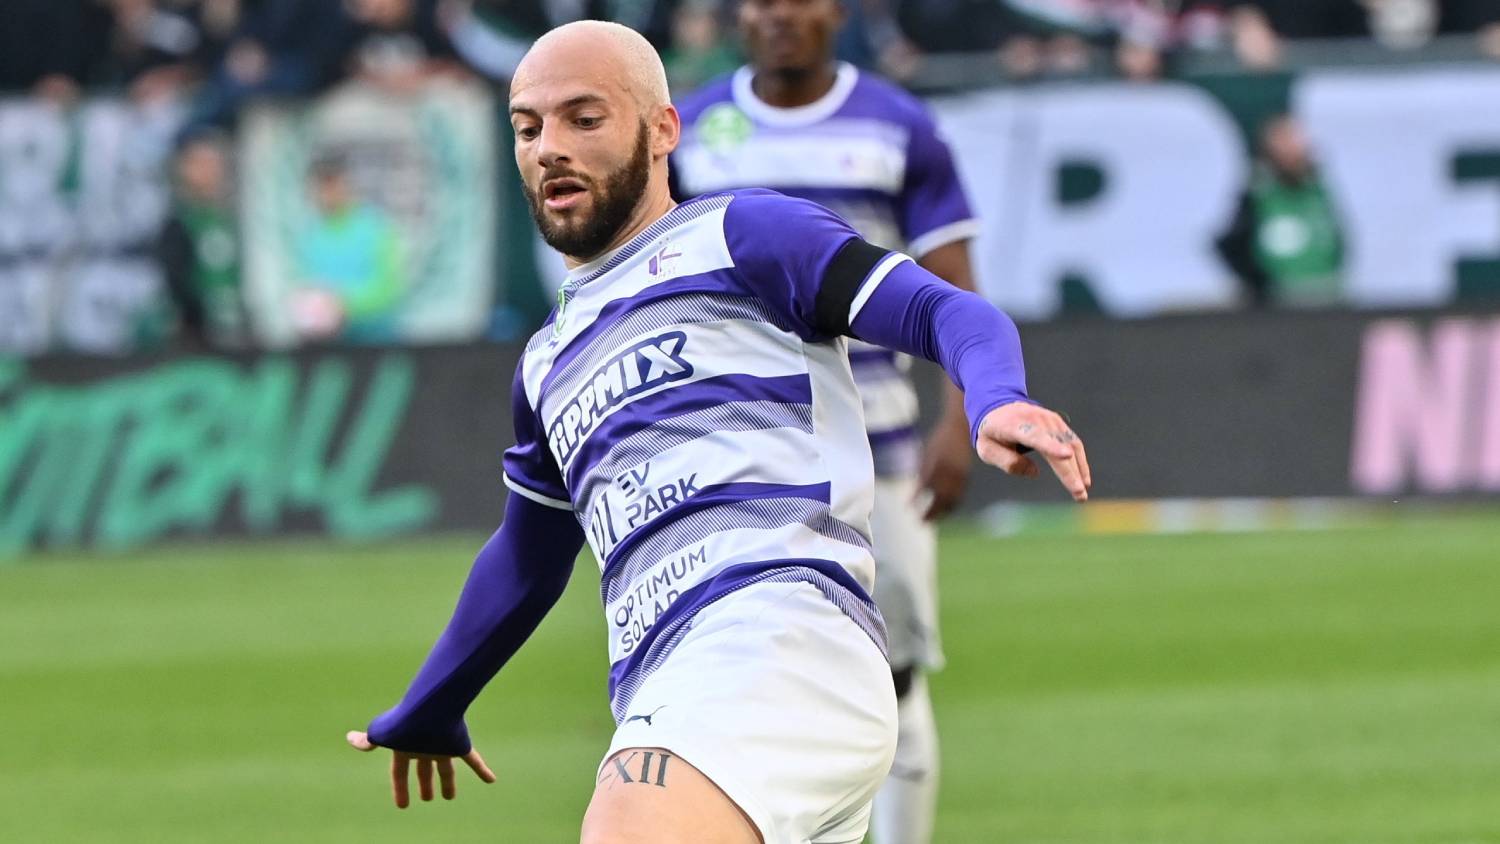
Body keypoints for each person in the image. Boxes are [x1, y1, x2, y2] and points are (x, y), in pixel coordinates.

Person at [346, 20, 1090, 844]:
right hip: (676, 681)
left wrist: (993, 399)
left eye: (583, 120)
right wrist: (434, 703)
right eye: (528, 128)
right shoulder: (546, 362)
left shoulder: (740, 236)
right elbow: (526, 557)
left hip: (777, 637)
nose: (550, 147)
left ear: (663, 130)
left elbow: (943, 308)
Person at [671, 2, 980, 839]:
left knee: (898, 675)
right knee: (749, 680)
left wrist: (961, 421)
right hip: (738, 457)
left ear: (834, 11)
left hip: (880, 452)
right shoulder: (692, 129)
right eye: (760, 2)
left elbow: (953, 283)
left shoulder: (898, 125)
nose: (779, 16)